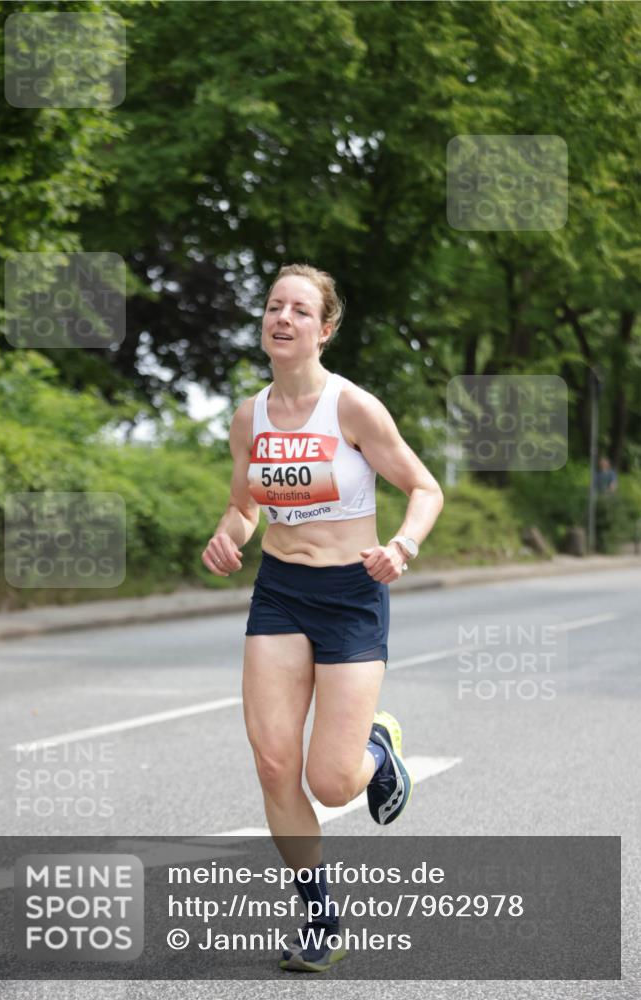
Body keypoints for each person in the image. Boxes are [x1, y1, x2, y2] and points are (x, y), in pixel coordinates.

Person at [202, 263, 444, 972]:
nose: (281, 318)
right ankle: (319, 918)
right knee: (275, 763)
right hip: (279, 592)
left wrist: (402, 544)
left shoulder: (353, 409)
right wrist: (229, 538)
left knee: (332, 782)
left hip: (350, 595)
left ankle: (374, 747)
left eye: (299, 311)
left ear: (324, 329)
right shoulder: (248, 417)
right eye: (273, 307)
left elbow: (422, 487)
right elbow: (244, 505)